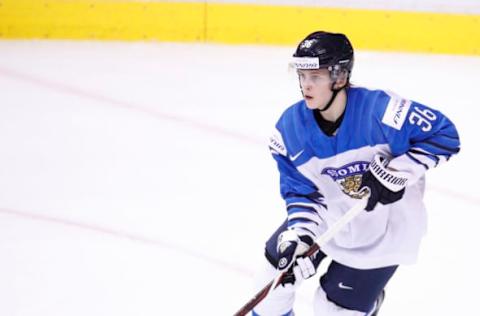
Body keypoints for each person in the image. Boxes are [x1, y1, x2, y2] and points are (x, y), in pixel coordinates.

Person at [252, 31, 460, 316]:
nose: (305, 85)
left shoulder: (383, 111)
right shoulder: (289, 130)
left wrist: (396, 173)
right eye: (302, 76)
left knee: (331, 310)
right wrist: (301, 236)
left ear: (339, 77)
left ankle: (367, 304)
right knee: (271, 286)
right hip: (330, 215)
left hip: (383, 229)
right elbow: (301, 194)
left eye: (316, 77)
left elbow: (444, 134)